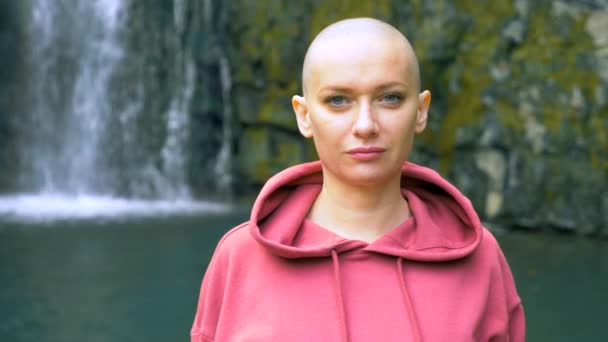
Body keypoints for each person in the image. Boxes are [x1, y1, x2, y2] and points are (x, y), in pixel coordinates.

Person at [191, 18, 525, 342]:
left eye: (389, 98)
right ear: (304, 116)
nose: (365, 125)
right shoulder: (240, 257)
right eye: (338, 100)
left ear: (421, 111)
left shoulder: (480, 257)